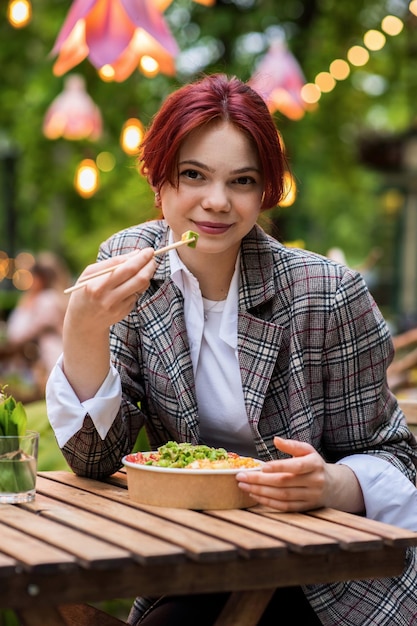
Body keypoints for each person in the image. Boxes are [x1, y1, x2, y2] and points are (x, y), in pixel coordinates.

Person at [46, 73, 417, 626]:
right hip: (195, 554)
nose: (216, 203)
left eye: (241, 181)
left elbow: (398, 457)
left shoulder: (325, 293)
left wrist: (335, 483)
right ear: (160, 182)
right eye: (193, 175)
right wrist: (82, 333)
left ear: (264, 191)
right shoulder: (129, 263)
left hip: (328, 574)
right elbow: (97, 460)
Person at [6, 252, 70, 393]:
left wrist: (25, 304)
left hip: (52, 356)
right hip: (58, 354)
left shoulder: (46, 300)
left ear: (40, 278)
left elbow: (19, 333)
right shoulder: (57, 298)